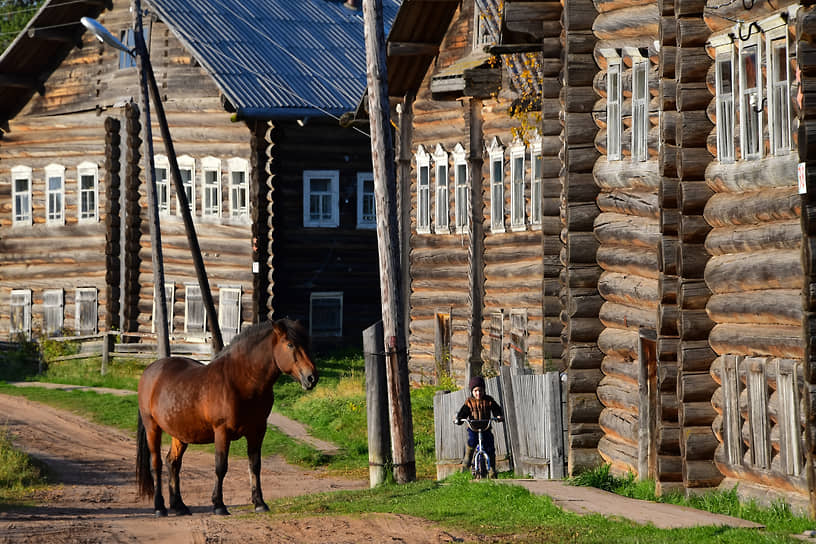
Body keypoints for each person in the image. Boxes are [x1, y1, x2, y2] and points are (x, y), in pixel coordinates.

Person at [453, 375, 503, 477]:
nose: (478, 393)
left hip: (486, 428)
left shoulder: (489, 400)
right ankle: (467, 461)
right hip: (473, 428)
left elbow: (496, 409)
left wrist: (498, 416)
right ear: (472, 391)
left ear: (484, 390)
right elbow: (463, 412)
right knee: (471, 441)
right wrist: (459, 419)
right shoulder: (469, 402)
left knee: (490, 446)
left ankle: (492, 469)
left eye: (480, 390)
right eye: (476, 391)